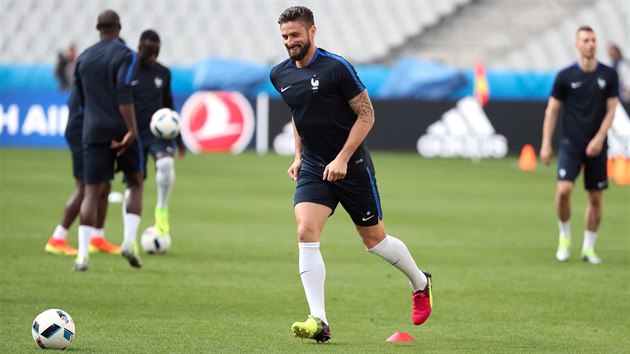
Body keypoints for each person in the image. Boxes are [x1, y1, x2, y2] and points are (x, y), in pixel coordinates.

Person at [269, 6, 433, 343]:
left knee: (375, 241)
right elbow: (299, 115)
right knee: (305, 229)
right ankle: (319, 321)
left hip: (352, 167)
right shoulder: (280, 75)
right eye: (285, 37)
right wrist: (299, 155)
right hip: (315, 166)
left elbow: (367, 115)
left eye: (295, 35)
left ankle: (419, 282)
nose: (289, 42)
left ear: (312, 32)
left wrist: (343, 157)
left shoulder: (336, 68)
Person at [540, 26, 618, 264]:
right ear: (577, 44)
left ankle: (589, 248)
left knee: (595, 197)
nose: (590, 44)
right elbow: (552, 110)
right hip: (571, 143)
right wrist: (545, 143)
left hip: (597, 145)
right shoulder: (565, 76)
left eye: (593, 40)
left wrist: (599, 138)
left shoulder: (608, 75)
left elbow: (612, 110)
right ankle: (564, 236)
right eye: (585, 40)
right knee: (564, 190)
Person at [73, 9, 144, 271]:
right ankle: (128, 241)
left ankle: (82, 255)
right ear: (119, 28)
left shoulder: (83, 58)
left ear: (97, 28)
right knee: (135, 183)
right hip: (120, 129)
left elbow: (80, 100)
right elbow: (123, 90)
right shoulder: (126, 55)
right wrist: (131, 130)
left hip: (92, 131)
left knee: (91, 191)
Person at [45, 83, 121, 256]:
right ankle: (57, 238)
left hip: (94, 134)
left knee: (105, 185)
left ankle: (98, 238)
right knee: (86, 187)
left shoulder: (92, 73)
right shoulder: (90, 76)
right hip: (83, 135)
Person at [124, 29, 185, 241]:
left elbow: (169, 104)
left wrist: (180, 139)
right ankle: (129, 238)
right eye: (148, 52)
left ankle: (161, 208)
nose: (152, 57)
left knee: (166, 165)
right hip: (134, 133)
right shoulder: (128, 71)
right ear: (139, 48)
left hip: (159, 133)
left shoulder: (163, 73)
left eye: (155, 53)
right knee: (134, 182)